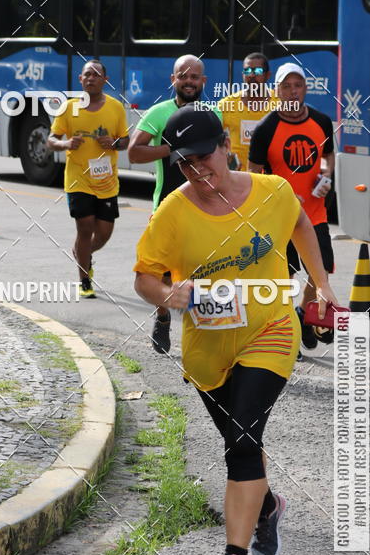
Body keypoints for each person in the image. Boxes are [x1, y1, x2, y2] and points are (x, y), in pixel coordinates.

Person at [134, 106, 339, 555]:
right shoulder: (172, 213)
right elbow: (143, 274)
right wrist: (167, 295)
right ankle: (267, 505)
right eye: (185, 163)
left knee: (243, 437)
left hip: (270, 330)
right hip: (207, 349)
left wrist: (321, 282)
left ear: (227, 146)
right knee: (239, 438)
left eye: (204, 157)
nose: (197, 170)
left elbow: (300, 227)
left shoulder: (273, 192)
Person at [128, 55, 217, 353]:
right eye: (183, 76)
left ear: (203, 81)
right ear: (173, 80)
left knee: (205, 269)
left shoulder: (212, 113)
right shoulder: (159, 112)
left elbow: (224, 155)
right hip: (166, 203)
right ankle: (163, 315)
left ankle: (203, 341)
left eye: (195, 77)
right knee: (160, 271)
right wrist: (176, 148)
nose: (189, 81)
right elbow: (134, 152)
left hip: (206, 205)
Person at [248, 63, 335, 351]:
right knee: (284, 278)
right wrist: (272, 198)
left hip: (315, 212)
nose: (292, 91)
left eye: (297, 85)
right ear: (277, 90)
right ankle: (285, 336)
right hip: (280, 216)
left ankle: (303, 314)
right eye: (286, 86)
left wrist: (325, 175)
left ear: (305, 89)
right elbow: (254, 174)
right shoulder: (265, 129)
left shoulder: (321, 122)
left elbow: (327, 156)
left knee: (319, 271)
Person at [48, 59, 129, 299]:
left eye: (96, 74)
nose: (91, 78)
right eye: (87, 75)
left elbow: (125, 140)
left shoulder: (116, 108)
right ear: (80, 79)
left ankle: (83, 253)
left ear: (105, 80)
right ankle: (84, 279)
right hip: (77, 180)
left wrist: (113, 143)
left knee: (103, 233)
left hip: (106, 181)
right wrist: (65, 143)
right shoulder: (68, 108)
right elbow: (52, 139)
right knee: (85, 227)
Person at [217, 52, 276, 171]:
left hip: (271, 179)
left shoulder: (280, 103)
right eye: (247, 71)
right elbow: (212, 140)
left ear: (268, 75)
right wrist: (225, 157)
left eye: (258, 71)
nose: (252, 75)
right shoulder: (227, 104)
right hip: (237, 179)